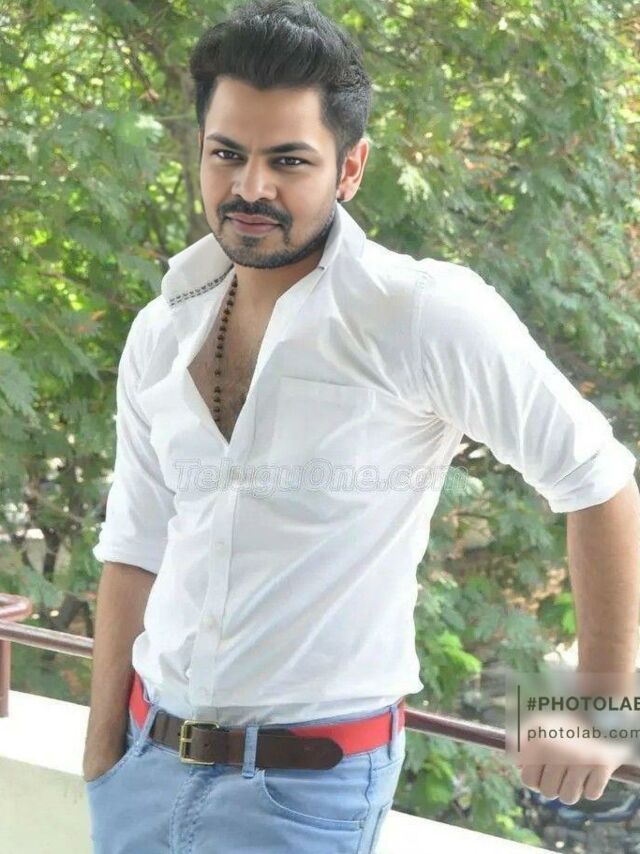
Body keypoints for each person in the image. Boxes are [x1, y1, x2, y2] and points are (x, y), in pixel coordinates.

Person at [82, 0, 640, 851]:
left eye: (288, 160)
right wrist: (101, 760)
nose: (251, 188)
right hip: (142, 767)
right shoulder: (163, 328)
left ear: (350, 168)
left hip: (304, 791)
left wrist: (596, 706)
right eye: (227, 154)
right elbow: (135, 544)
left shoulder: (419, 314)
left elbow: (598, 478)